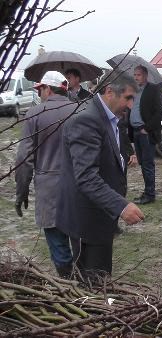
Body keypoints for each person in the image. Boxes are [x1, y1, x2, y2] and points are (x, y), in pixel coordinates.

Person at [56, 72, 145, 280]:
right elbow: (87, 177)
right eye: (128, 98)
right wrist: (122, 206)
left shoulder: (109, 116)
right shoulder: (87, 120)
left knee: (100, 275)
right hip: (88, 219)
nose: (131, 105)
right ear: (109, 92)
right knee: (94, 281)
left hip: (101, 213)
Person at [14, 71, 76, 278]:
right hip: (79, 186)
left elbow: (24, 158)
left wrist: (21, 192)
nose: (39, 93)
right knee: (79, 239)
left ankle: (67, 283)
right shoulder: (80, 110)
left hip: (50, 191)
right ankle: (86, 283)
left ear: (48, 88)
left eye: (40, 89)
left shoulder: (35, 113)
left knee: (58, 244)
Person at [129, 65, 162, 204]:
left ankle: (150, 194)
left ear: (145, 75)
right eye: (135, 75)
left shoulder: (153, 89)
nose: (136, 77)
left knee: (148, 164)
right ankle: (147, 191)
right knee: (142, 163)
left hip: (145, 132)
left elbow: (159, 113)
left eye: (138, 75)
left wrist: (147, 128)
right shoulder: (135, 91)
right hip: (136, 131)